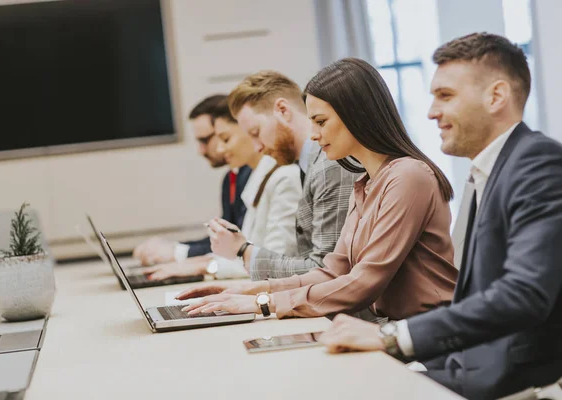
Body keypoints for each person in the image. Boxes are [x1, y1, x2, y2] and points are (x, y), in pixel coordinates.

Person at [318, 33, 562, 400]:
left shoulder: (536, 162)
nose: (432, 111)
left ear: (495, 96)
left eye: (445, 96)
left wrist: (392, 338)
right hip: (468, 366)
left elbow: (522, 295)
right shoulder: (494, 170)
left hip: (511, 383)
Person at [179, 58, 458, 322]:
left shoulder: (408, 176)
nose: (313, 134)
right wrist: (252, 291)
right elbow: (333, 271)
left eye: (321, 122)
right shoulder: (365, 183)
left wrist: (263, 303)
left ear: (357, 116)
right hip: (392, 326)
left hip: (424, 334)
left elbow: (364, 281)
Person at [197, 70, 359, 281]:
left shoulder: (329, 165)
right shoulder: (312, 165)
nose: (257, 147)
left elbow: (327, 272)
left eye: (256, 133)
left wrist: (243, 250)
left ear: (282, 110)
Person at [146, 98, 303, 281]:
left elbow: (273, 261)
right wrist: (201, 263)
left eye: (226, 139)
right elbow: (249, 252)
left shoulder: (283, 177)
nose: (220, 149)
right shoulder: (255, 178)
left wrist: (207, 266)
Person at [132, 95, 251, 267]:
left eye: (205, 140)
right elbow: (226, 238)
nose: (201, 151)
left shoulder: (252, 173)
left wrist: (178, 253)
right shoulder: (231, 177)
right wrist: (177, 248)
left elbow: (243, 240)